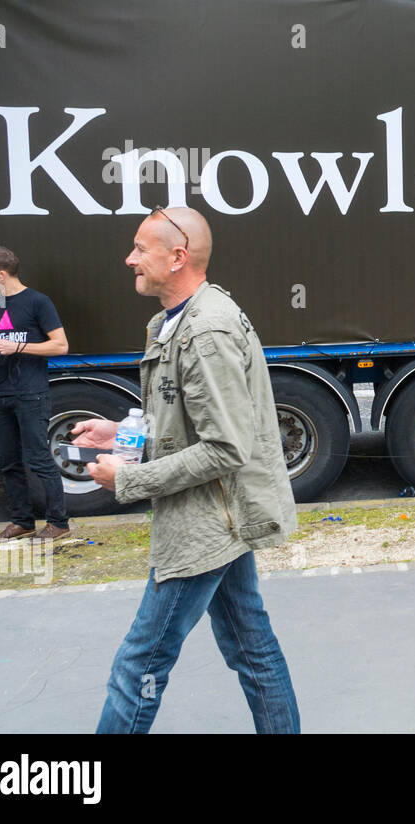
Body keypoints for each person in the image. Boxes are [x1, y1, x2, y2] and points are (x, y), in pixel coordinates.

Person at [74, 206, 300, 733]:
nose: (129, 258)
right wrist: (118, 433)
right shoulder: (176, 320)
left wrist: (128, 479)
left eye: (140, 249)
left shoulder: (205, 331)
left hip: (205, 525)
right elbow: (179, 420)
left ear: (177, 258)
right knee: (253, 648)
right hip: (219, 513)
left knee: (140, 665)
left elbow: (226, 447)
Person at [0, 247, 71, 542]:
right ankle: (22, 521)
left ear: (1, 274)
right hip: (0, 393)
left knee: (38, 459)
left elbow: (60, 346)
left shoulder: (38, 302)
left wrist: (18, 347)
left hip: (31, 394)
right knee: (8, 461)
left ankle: (58, 523)